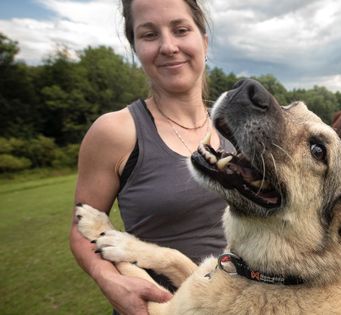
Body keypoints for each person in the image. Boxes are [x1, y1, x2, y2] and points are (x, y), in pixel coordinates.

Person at [69, 0, 230, 314]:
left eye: (181, 30)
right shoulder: (114, 131)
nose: (169, 46)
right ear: (135, 49)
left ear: (204, 40)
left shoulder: (234, 129)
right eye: (149, 35)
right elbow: (81, 228)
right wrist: (108, 279)